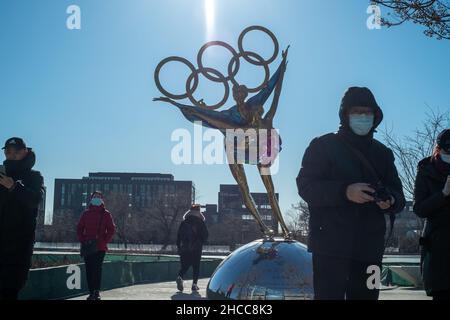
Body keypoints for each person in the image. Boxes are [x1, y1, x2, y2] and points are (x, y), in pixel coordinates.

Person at [154, 47, 291, 238]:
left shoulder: (256, 107)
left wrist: (281, 68)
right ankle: (263, 226)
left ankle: (284, 227)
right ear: (234, 96)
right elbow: (208, 116)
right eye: (236, 93)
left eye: (240, 92)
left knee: (269, 187)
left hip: (255, 148)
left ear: (244, 94)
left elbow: (271, 90)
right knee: (243, 187)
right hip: (234, 149)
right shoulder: (230, 114)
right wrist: (176, 104)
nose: (238, 95)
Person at [296, 87, 405, 300]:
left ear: (376, 116)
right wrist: (345, 192)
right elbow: (306, 186)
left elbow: (399, 196)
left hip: (370, 249)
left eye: (368, 112)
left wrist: (390, 200)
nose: (363, 117)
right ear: (345, 115)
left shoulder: (383, 153)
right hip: (329, 248)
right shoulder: (322, 146)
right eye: (357, 112)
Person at [0, 137, 44, 300]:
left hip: (18, 246)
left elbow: (34, 200)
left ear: (25, 152)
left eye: (16, 152)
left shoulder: (34, 177)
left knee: (10, 290)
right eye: (7, 151)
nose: (11, 155)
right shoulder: (1, 174)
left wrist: (13, 187)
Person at [414, 129, 450, 300]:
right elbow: (419, 209)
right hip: (437, 249)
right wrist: (443, 194)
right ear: (438, 148)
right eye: (447, 150)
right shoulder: (426, 169)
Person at [77, 191, 116, 300]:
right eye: (95, 197)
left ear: (102, 199)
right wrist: (83, 240)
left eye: (99, 197)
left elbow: (111, 229)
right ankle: (91, 292)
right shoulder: (86, 213)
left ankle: (96, 292)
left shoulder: (106, 214)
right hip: (88, 246)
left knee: (97, 269)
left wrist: (104, 240)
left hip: (100, 247)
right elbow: (79, 228)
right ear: (91, 199)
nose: (97, 198)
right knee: (89, 269)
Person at [176, 204, 208, 292]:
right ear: (198, 211)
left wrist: (179, 246)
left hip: (184, 248)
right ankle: (194, 284)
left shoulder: (184, 222)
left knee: (185, 266)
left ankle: (180, 277)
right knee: (196, 266)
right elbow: (205, 235)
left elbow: (178, 236)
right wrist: (201, 242)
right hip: (196, 248)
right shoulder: (200, 222)